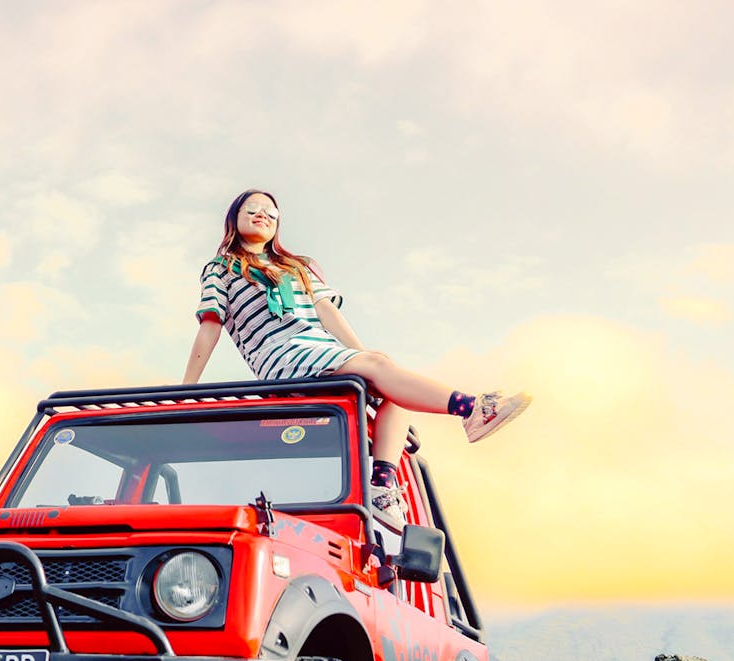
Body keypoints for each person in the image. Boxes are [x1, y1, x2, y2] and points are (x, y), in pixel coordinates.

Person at [182, 188, 531, 521]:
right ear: (235, 218)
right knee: (382, 370)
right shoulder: (222, 268)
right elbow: (210, 324)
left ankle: (383, 483)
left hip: (322, 349)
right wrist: (187, 389)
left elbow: (328, 312)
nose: (262, 216)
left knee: (391, 383)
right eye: (253, 210)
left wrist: (365, 357)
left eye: (271, 214)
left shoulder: (296, 267)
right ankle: (471, 408)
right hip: (281, 356)